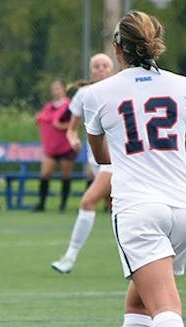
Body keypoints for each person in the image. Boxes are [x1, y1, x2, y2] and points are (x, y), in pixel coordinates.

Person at [82, 11, 186, 327]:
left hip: (139, 209)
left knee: (163, 305)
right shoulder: (184, 85)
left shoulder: (99, 92)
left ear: (116, 48)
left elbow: (101, 156)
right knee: (138, 302)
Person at [50, 53, 115, 274]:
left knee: (88, 202)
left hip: (116, 159)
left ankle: (69, 257)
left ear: (112, 68)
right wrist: (73, 139)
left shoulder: (121, 89)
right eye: (96, 66)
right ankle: (141, 258)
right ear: (90, 70)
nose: (101, 69)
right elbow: (72, 128)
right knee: (117, 209)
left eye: (105, 65)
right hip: (96, 160)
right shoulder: (84, 94)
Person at [34, 79, 74, 212]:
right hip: (51, 147)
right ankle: (41, 203)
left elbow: (75, 123)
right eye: (53, 88)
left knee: (65, 175)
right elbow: (41, 118)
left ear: (63, 89)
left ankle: (63, 205)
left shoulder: (69, 106)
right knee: (45, 173)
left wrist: (61, 125)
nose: (55, 91)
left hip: (66, 146)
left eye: (58, 88)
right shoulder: (49, 106)